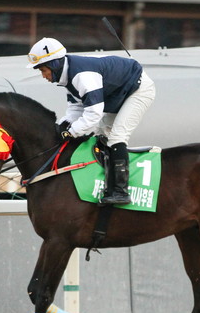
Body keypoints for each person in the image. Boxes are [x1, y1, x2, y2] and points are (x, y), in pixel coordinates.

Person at [27, 37, 156, 205]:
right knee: (101, 134)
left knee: (117, 137)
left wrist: (72, 132)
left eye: (44, 70)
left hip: (138, 90)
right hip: (118, 94)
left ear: (55, 65)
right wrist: (62, 126)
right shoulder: (68, 76)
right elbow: (76, 108)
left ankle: (120, 191)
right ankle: (105, 182)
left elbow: (94, 114)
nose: (43, 76)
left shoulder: (82, 75)